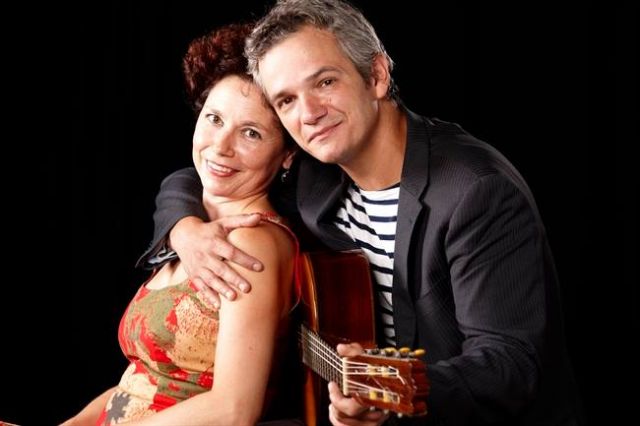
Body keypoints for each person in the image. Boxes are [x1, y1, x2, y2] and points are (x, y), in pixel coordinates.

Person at [140, 1, 584, 425]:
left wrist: (386, 387)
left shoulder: (474, 191)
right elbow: (202, 172)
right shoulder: (317, 171)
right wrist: (185, 229)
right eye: (286, 100)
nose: (309, 113)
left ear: (376, 75)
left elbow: (509, 365)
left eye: (325, 83)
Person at [62, 22, 301, 426]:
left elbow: (234, 409)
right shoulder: (196, 229)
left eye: (251, 133)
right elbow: (141, 382)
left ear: (287, 154)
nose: (221, 146)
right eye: (214, 119)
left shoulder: (253, 241)